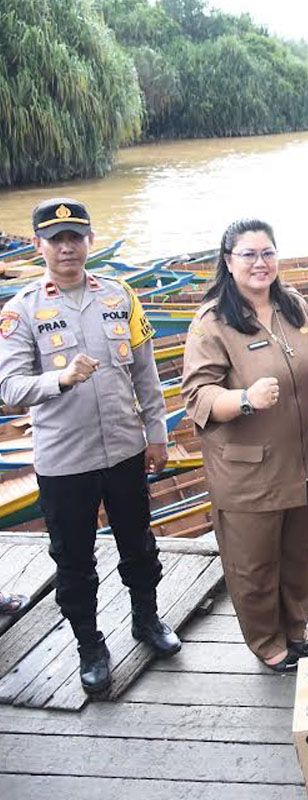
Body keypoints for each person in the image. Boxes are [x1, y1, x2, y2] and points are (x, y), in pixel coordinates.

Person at [0, 198, 179, 695]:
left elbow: (146, 374)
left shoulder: (120, 296)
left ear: (90, 242)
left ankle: (147, 620)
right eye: (55, 239)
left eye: (75, 237)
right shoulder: (22, 312)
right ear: (39, 246)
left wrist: (158, 434)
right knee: (74, 560)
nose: (67, 247)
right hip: (65, 461)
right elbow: (9, 388)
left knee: (139, 545)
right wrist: (59, 379)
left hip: (124, 450)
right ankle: (90, 646)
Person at [181, 219, 308, 672]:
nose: (259, 263)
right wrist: (245, 400)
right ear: (228, 262)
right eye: (248, 254)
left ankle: (296, 629)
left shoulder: (294, 306)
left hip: (306, 461)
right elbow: (197, 397)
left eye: (267, 252)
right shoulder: (212, 322)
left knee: (300, 556)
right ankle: (267, 642)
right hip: (249, 470)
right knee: (254, 567)